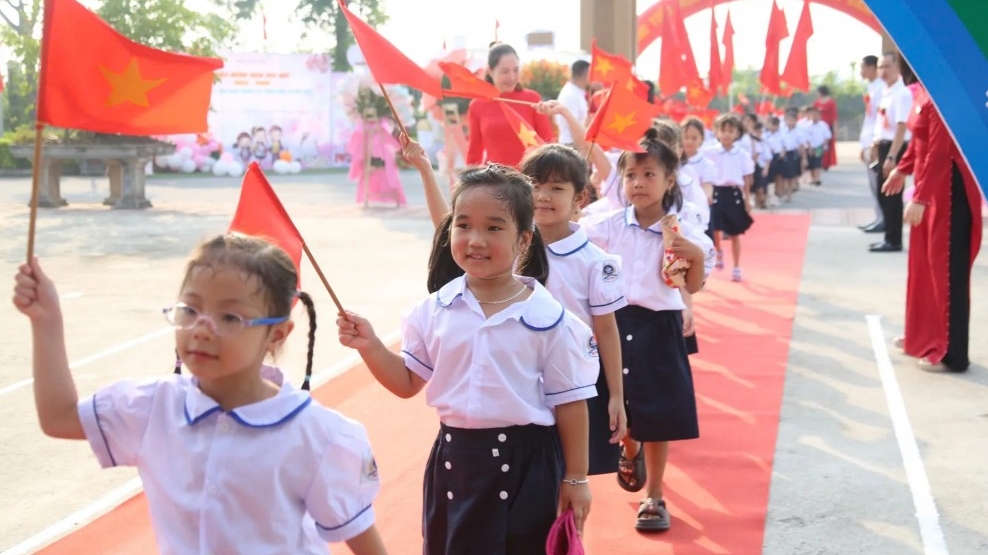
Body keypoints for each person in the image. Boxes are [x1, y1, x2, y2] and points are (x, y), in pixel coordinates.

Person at [12, 235, 387, 555]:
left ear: (276, 334)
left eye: (230, 318)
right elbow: (59, 417)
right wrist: (47, 321)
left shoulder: (318, 436)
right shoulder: (153, 408)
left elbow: (365, 544)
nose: (201, 329)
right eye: (190, 310)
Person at [337, 165, 597, 554]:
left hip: (527, 465)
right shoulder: (433, 311)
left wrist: (576, 478)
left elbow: (571, 403)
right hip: (454, 461)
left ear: (524, 239)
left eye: (493, 228)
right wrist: (371, 345)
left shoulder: (550, 320)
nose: (476, 240)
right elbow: (407, 382)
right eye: (463, 226)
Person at [580, 129, 714, 532]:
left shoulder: (682, 229)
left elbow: (692, 285)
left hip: (659, 328)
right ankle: (629, 447)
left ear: (670, 180)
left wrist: (695, 257)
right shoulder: (606, 226)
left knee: (657, 414)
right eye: (631, 175)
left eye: (649, 174)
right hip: (613, 325)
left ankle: (654, 495)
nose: (638, 183)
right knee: (618, 404)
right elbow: (572, 246)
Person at [882, 84, 983, 372]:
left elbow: (940, 151)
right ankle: (922, 336)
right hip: (929, 186)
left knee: (946, 271)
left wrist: (921, 198)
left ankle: (951, 353)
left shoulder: (945, 93)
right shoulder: (924, 90)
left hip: (948, 189)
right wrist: (903, 168)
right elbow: (918, 140)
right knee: (923, 266)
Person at [466, 43, 553, 167]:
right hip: (495, 176)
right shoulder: (477, 105)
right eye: (505, 71)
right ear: (490, 71)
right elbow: (474, 153)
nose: (512, 77)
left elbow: (548, 143)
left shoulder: (532, 99)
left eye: (516, 70)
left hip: (529, 175)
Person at [868, 51, 914, 253]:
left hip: (895, 147)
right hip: (883, 146)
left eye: (887, 66)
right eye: (880, 67)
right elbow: (881, 123)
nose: (883, 71)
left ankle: (894, 240)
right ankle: (889, 235)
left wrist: (892, 156)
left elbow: (901, 127)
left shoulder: (901, 94)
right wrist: (875, 146)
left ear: (898, 68)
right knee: (883, 193)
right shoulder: (886, 92)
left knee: (892, 195)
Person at [705, 114, 754, 282]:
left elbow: (746, 178)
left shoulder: (742, 154)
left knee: (735, 233)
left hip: (734, 194)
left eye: (730, 131)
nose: (726, 134)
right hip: (716, 193)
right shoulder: (710, 152)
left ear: (737, 133)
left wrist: (747, 200)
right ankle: (718, 250)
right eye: (723, 130)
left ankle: (736, 266)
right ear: (717, 132)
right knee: (714, 230)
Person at [858, 55, 886, 233]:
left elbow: (879, 120)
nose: (861, 71)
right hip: (869, 142)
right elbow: (869, 118)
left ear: (871, 67)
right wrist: (863, 144)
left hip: (876, 142)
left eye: (862, 67)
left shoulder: (881, 88)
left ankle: (884, 219)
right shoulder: (872, 87)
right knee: (873, 183)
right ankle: (879, 217)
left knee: (878, 183)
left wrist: (873, 144)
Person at [555, 60, 591, 145]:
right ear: (586, 74)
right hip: (571, 144)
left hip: (577, 143)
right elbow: (572, 126)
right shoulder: (570, 95)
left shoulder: (577, 92)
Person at [804, 106, 833, 186]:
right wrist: (809, 147)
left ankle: (817, 178)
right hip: (809, 147)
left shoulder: (823, 125)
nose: (815, 117)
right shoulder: (807, 126)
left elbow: (828, 136)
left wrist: (824, 145)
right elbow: (806, 137)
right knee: (811, 163)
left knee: (817, 162)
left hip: (819, 147)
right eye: (813, 115)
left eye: (816, 115)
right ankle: (812, 178)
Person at [813, 85, 839, 169]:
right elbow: (813, 114)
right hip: (818, 127)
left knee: (827, 145)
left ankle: (826, 163)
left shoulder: (831, 102)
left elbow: (834, 116)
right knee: (818, 143)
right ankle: (819, 161)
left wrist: (835, 129)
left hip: (828, 126)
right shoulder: (816, 102)